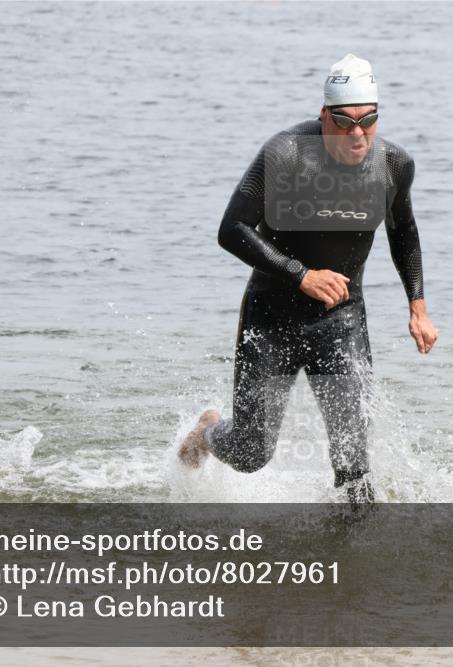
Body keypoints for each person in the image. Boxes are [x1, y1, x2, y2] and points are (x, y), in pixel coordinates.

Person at [179, 55, 438, 502]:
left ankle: (353, 568)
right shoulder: (286, 154)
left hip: (341, 321)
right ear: (324, 116)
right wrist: (302, 275)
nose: (357, 133)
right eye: (344, 122)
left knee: (354, 467)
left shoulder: (394, 164)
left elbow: (404, 232)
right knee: (250, 452)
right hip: (272, 314)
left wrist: (417, 306)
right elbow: (231, 230)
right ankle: (208, 430)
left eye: (368, 120)